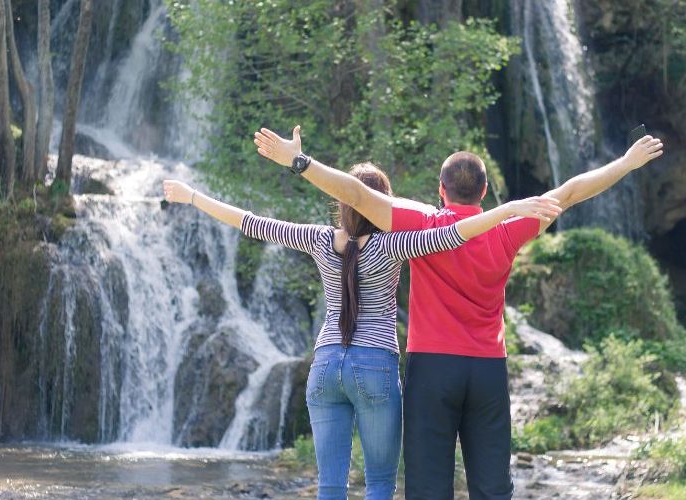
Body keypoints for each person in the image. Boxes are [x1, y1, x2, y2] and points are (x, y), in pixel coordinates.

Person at [253, 126, 664, 500]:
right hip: (487, 369)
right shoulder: (508, 226)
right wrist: (626, 163)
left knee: (428, 487)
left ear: (441, 189)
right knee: (491, 486)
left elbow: (357, 196)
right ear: (484, 192)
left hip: (432, 370)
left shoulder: (421, 222)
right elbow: (572, 191)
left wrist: (299, 161)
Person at [162, 163, 561, 500]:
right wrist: (507, 209)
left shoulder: (318, 239)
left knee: (330, 486)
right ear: (382, 203)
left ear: (343, 204)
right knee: (380, 484)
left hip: (325, 365)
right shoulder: (395, 244)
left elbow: (252, 223)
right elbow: (456, 233)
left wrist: (193, 196)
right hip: (374, 366)